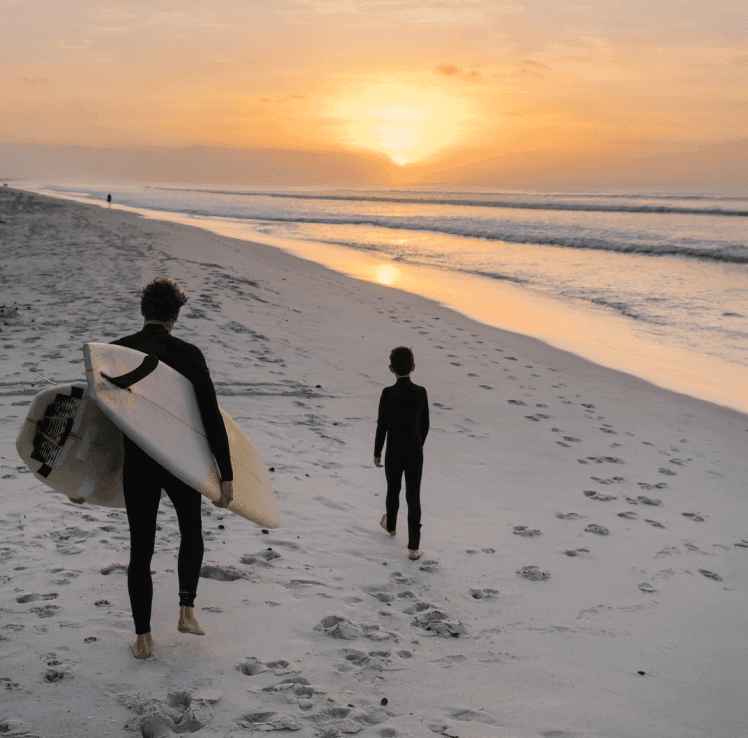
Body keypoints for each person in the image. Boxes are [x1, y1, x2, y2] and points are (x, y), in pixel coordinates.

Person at [111, 276, 234, 659]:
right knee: (191, 531)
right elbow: (210, 418)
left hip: (140, 462)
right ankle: (185, 611)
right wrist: (225, 474)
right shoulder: (189, 354)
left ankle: (144, 638)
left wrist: (81, 482)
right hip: (181, 460)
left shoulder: (116, 351)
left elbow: (98, 422)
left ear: (143, 310)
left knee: (140, 549)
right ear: (176, 315)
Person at [373, 346, 429, 560]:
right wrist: (421, 443)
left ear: (390, 369)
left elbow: (382, 425)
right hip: (415, 451)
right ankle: (413, 548)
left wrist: (377, 452)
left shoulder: (388, 393)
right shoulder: (421, 392)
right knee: (413, 496)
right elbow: (425, 424)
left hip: (393, 451)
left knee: (393, 489)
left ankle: (392, 527)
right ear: (413, 367)